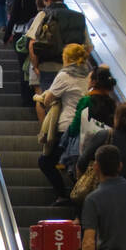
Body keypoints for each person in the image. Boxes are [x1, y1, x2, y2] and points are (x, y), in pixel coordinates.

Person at [36, 43, 91, 200]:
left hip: (66, 127)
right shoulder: (89, 75)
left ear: (66, 58)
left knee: (45, 162)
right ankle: (79, 202)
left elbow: (47, 100)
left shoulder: (65, 75)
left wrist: (41, 99)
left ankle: (64, 196)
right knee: (76, 165)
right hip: (87, 128)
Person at [29, 0, 86, 92]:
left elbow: (32, 43)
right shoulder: (79, 17)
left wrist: (35, 66)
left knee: (48, 100)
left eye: (44, 2)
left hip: (48, 66)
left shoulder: (43, 15)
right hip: (73, 68)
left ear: (48, 0)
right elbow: (88, 46)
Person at [78, 101, 126, 185]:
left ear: (117, 118)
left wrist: (80, 183)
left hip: (100, 189)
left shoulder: (105, 135)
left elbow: (82, 162)